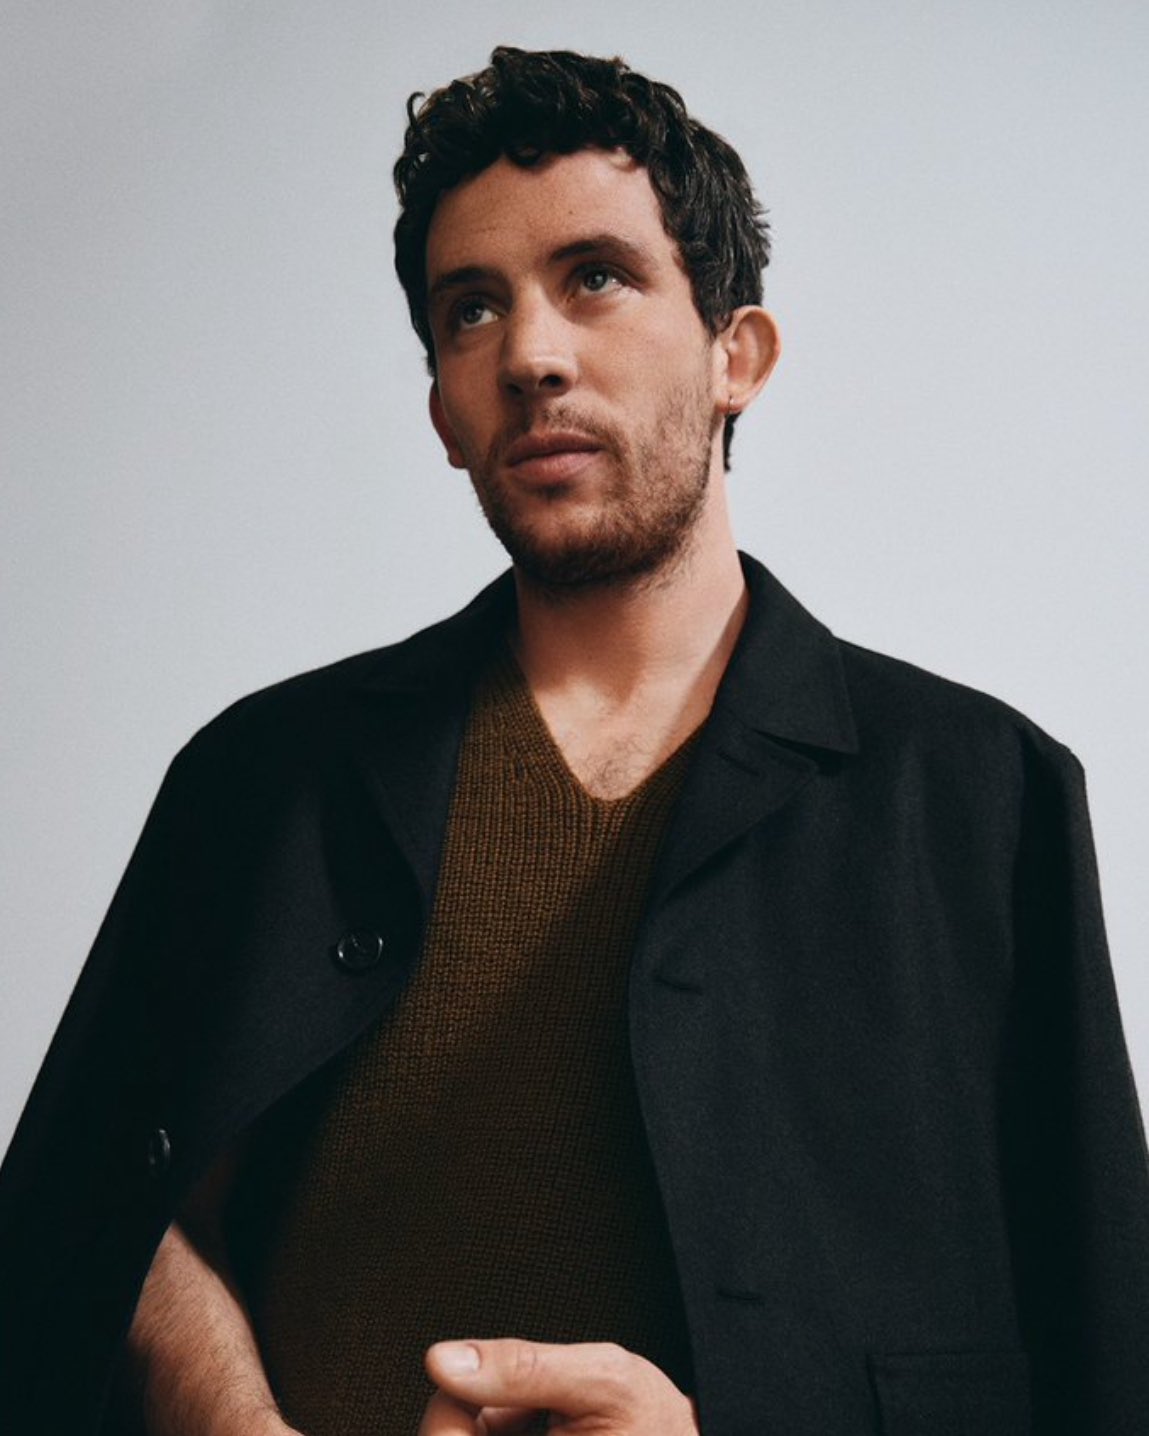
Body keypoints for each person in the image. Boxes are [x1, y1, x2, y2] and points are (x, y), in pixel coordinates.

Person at [1, 44, 1147, 1436]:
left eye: (595, 277)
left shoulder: (982, 797)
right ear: (443, 412)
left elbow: (1101, 1344)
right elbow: (101, 1219)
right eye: (471, 309)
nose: (529, 354)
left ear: (736, 355)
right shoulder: (259, 783)